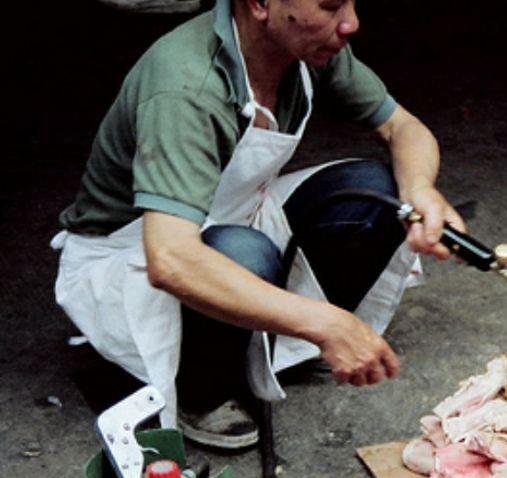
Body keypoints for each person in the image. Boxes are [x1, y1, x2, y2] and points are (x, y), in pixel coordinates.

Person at [52, 0, 466, 449]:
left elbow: (402, 127)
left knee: (378, 193)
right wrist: (328, 323)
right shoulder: (187, 85)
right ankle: (202, 390)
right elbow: (170, 259)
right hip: (135, 252)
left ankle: (284, 346)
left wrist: (420, 190)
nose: (350, 23)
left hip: (236, 211)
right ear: (260, 4)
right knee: (243, 253)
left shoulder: (310, 44)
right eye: (329, 6)